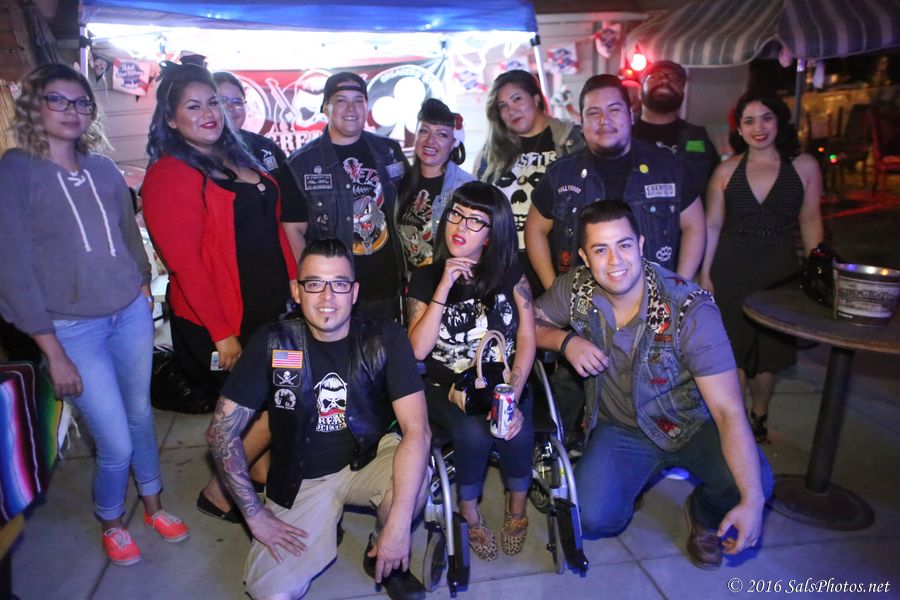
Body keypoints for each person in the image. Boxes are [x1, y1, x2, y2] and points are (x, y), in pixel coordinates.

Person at [0, 63, 189, 565]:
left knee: (141, 415)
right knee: (115, 441)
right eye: (57, 100)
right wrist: (52, 351)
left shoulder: (104, 169)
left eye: (81, 102)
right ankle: (111, 517)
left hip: (129, 315)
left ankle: (153, 505)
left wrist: (143, 284)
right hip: (70, 330)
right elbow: (11, 268)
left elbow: (128, 233)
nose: (71, 111)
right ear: (34, 105)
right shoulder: (15, 171)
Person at [534, 200, 773, 569]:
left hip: (692, 425)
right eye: (600, 249)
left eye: (624, 245)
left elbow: (728, 410)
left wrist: (753, 502)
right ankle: (631, 482)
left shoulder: (690, 309)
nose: (615, 260)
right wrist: (564, 341)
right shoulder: (576, 289)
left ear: (641, 245)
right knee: (594, 517)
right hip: (622, 428)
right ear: (584, 256)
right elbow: (528, 324)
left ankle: (704, 514)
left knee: (754, 483)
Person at [207, 239, 430, 600]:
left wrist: (399, 528)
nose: (328, 296)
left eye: (339, 284)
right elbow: (220, 433)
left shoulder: (385, 337)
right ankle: (322, 522)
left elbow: (417, 430)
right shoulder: (273, 342)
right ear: (297, 291)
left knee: (416, 481)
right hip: (302, 477)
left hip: (369, 456)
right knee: (272, 593)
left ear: (354, 292)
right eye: (314, 283)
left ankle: (381, 549)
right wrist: (254, 515)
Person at [142, 62, 297, 521]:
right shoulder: (170, 173)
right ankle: (225, 492)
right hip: (223, 320)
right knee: (264, 403)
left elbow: (274, 228)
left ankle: (249, 480)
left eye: (213, 102)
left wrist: (294, 279)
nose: (208, 113)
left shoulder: (238, 156)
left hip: (273, 309)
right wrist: (222, 333)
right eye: (193, 106)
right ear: (171, 119)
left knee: (280, 397)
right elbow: (185, 265)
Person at [406, 181, 536, 561]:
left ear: (492, 234)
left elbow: (527, 336)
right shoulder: (425, 276)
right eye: (457, 215)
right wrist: (443, 285)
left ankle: (517, 508)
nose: (460, 226)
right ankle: (469, 511)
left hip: (502, 380)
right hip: (444, 385)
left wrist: (512, 393)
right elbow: (417, 350)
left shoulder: (512, 274)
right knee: (472, 432)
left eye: (475, 221)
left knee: (515, 429)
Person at [700, 91, 823, 443]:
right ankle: (736, 423)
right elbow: (711, 225)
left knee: (769, 355)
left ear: (779, 121)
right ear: (739, 128)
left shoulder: (804, 166)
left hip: (779, 271)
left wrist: (817, 270)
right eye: (749, 120)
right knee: (733, 351)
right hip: (731, 269)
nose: (759, 127)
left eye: (767, 118)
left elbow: (811, 219)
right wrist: (704, 273)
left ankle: (760, 413)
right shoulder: (726, 170)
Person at [525, 73, 706, 291]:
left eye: (614, 109)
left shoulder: (669, 168)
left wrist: (678, 289)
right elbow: (534, 228)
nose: (604, 119)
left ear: (630, 115)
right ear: (582, 123)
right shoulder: (561, 174)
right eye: (593, 112)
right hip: (582, 302)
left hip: (655, 299)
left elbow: (695, 226)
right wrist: (554, 290)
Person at [280, 72, 409, 321]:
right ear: (325, 108)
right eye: (341, 100)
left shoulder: (389, 151)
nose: (351, 108)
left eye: (358, 100)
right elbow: (293, 229)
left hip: (388, 287)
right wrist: (311, 282)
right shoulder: (300, 164)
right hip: (335, 292)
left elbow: (408, 204)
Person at [474, 69, 584, 288]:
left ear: (536, 98)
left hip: (563, 258)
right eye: (502, 106)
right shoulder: (490, 153)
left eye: (517, 99)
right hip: (507, 265)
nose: (511, 110)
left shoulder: (572, 140)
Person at [397, 98, 474, 269]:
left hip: (450, 281)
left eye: (442, 134)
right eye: (424, 131)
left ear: (454, 142)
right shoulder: (400, 182)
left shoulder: (467, 187)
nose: (430, 141)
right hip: (411, 282)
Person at [632, 60, 720, 200]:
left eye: (674, 78)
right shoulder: (624, 138)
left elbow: (716, 189)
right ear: (639, 92)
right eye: (655, 76)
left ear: (682, 93)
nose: (665, 80)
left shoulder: (698, 138)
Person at [213, 71, 289, 180]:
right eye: (222, 101)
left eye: (237, 102)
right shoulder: (199, 151)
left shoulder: (266, 147)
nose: (231, 107)